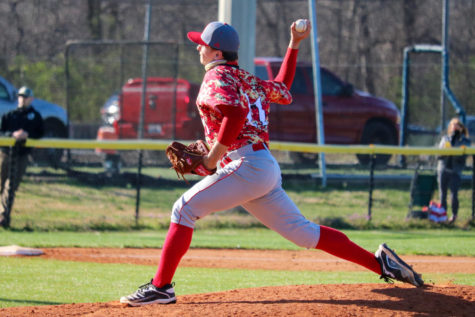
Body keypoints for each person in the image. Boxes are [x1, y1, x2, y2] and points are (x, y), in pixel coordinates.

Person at [120, 20, 423, 306]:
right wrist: (294, 44)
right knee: (304, 233)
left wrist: (212, 158)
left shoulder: (215, 76)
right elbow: (283, 87)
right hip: (261, 165)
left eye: (202, 44)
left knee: (183, 209)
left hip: (246, 166)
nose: (198, 48)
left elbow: (235, 115)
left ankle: (161, 287)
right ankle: (380, 263)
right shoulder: (247, 80)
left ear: (217, 52)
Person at [0, 86, 44, 228]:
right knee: (0, 184)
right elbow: (2, 132)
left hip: (22, 155)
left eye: (25, 96)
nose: (22, 99)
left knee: (11, 186)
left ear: (31, 99)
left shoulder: (35, 117)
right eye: (20, 96)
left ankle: (3, 217)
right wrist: (12, 135)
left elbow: (40, 133)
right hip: (6, 153)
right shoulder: (10, 115)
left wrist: (27, 135)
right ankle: (3, 215)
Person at [437, 117, 470, 223]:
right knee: (442, 194)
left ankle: (454, 215)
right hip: (443, 169)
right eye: (453, 125)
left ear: (461, 128)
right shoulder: (445, 138)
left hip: (455, 171)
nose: (455, 127)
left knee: (454, 194)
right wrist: (445, 150)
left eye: (457, 125)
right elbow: (438, 155)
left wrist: (453, 150)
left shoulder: (465, 141)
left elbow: (463, 157)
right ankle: (442, 216)